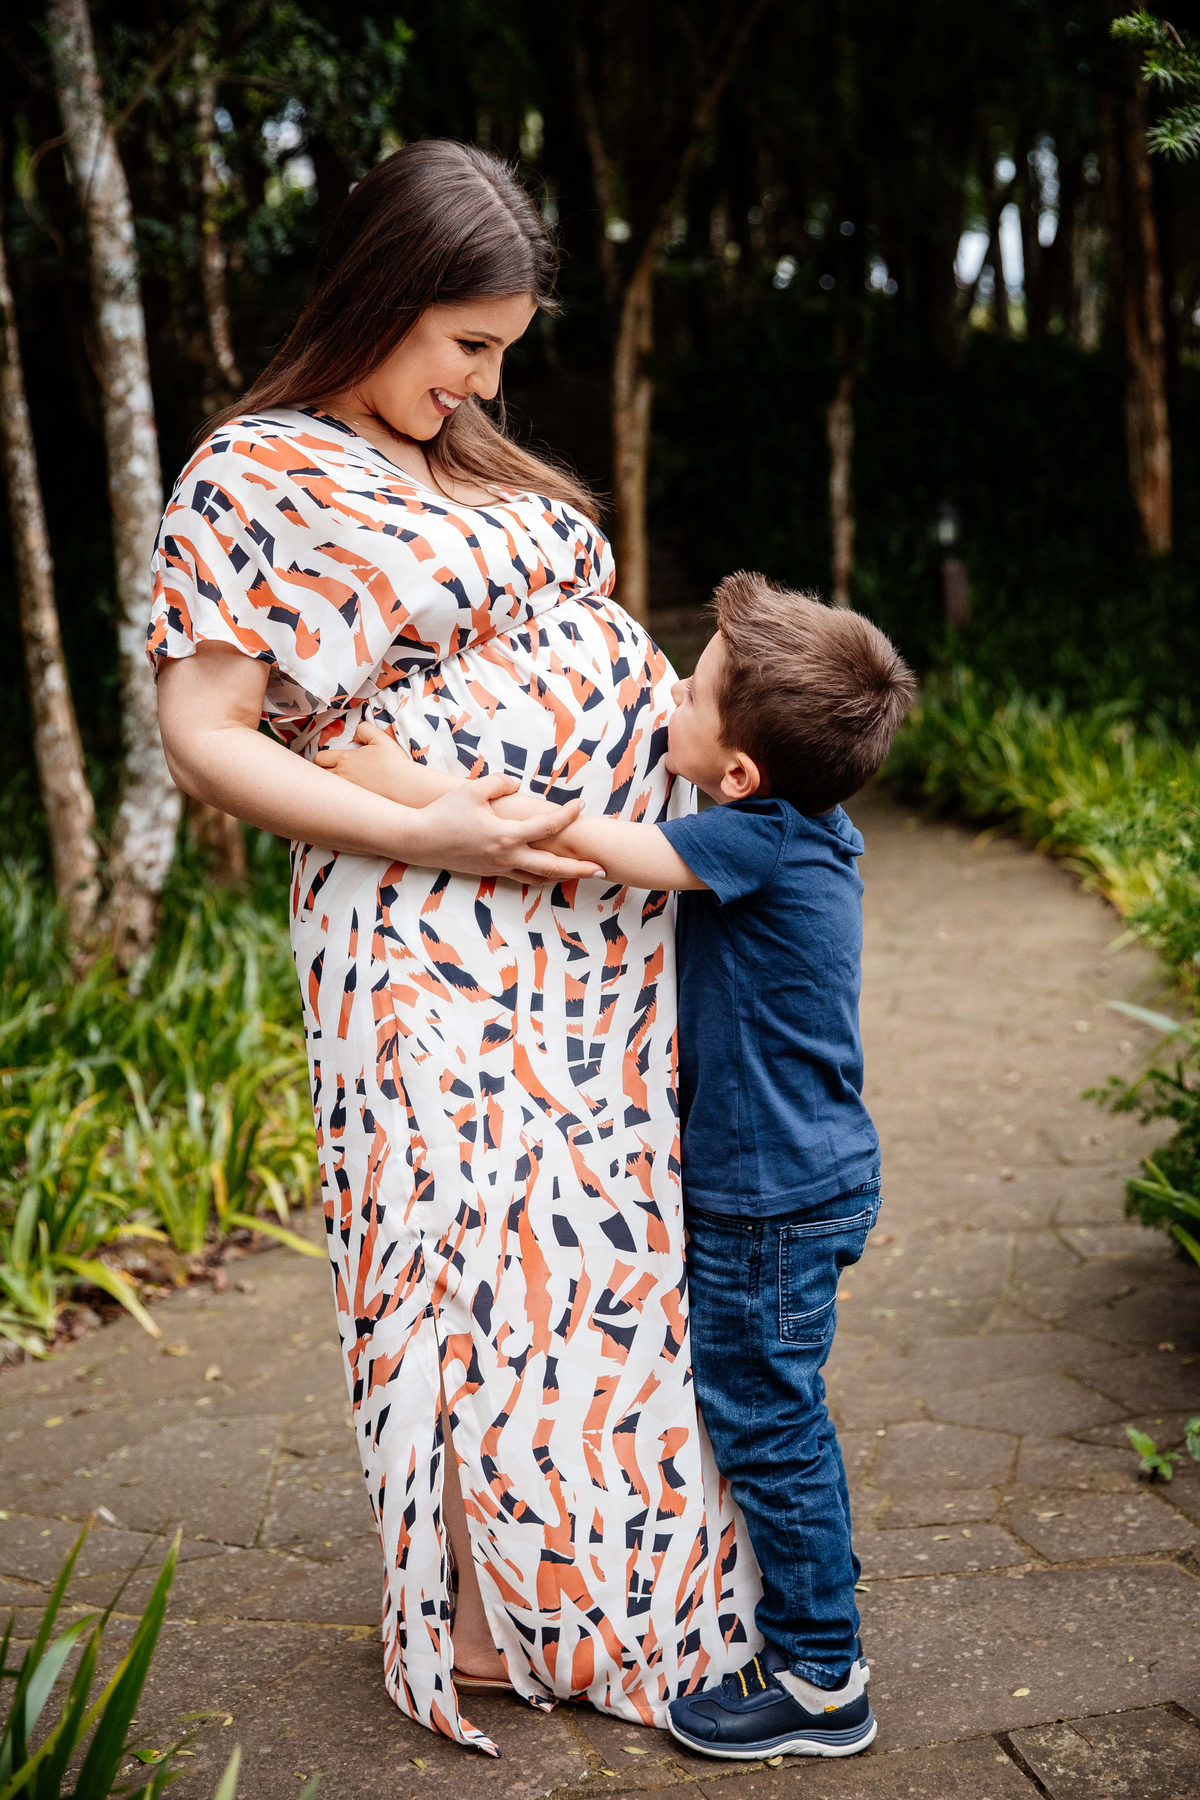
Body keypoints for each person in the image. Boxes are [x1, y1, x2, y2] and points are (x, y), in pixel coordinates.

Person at [149, 139, 760, 1757]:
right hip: (427, 924)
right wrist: (430, 829)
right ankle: (483, 1616)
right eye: (465, 344)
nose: (487, 377)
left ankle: (583, 1580)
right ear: (377, 297)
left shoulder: (462, 453)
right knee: (468, 1260)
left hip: (588, 947)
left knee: (597, 1262)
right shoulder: (254, 474)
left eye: (502, 348)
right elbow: (205, 736)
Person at [319, 570, 915, 1761]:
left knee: (768, 1421)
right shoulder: (800, 824)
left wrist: (399, 786)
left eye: (689, 690)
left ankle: (821, 1680)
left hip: (770, 1200)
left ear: (737, 774)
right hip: (802, 1179)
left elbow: (591, 844)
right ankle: (805, 1624)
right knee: (773, 1413)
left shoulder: (752, 842)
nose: (666, 695)